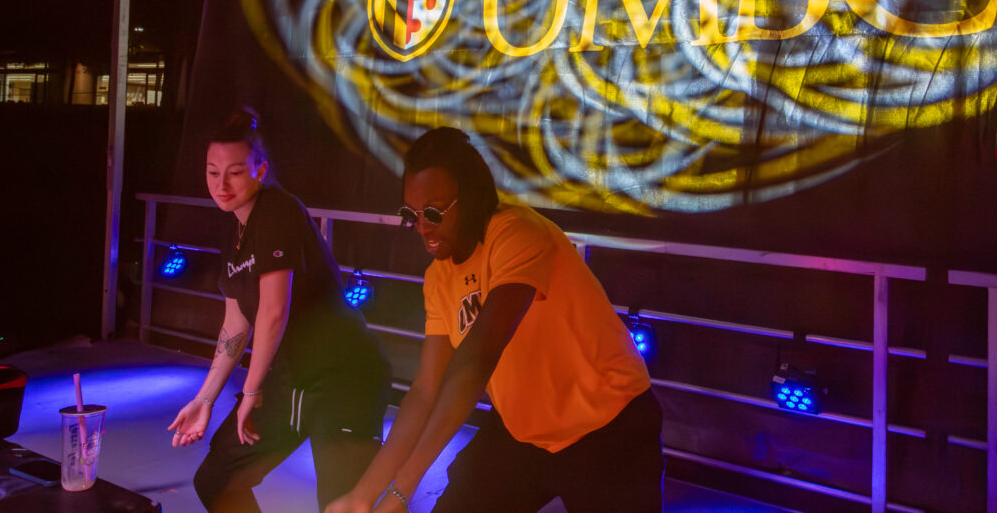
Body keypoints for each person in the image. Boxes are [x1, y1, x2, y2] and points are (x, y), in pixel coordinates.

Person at [325, 126, 663, 513]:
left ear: (470, 199)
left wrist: (402, 490)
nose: (421, 226)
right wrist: (363, 496)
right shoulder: (439, 278)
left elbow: (478, 356)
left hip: (610, 428)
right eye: (410, 214)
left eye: (433, 212)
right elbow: (425, 390)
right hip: (525, 434)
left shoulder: (516, 234)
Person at [168, 110, 390, 512]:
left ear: (260, 169)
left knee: (345, 505)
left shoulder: (278, 210)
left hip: (344, 379)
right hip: (293, 376)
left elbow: (273, 311)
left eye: (235, 171)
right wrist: (206, 398)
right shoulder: (233, 228)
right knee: (218, 479)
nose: (221, 184)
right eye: (212, 171)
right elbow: (235, 323)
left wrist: (251, 391)